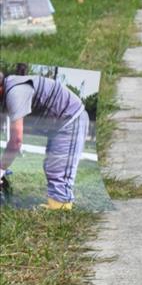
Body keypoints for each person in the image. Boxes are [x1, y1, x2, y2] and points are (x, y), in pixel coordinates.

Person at [0, 71, 90, 209]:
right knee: (51, 165)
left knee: (59, 169)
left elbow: (16, 141)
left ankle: (60, 209)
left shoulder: (15, 93)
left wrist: (1, 169)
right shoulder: (11, 87)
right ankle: (57, 205)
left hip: (71, 119)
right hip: (60, 123)